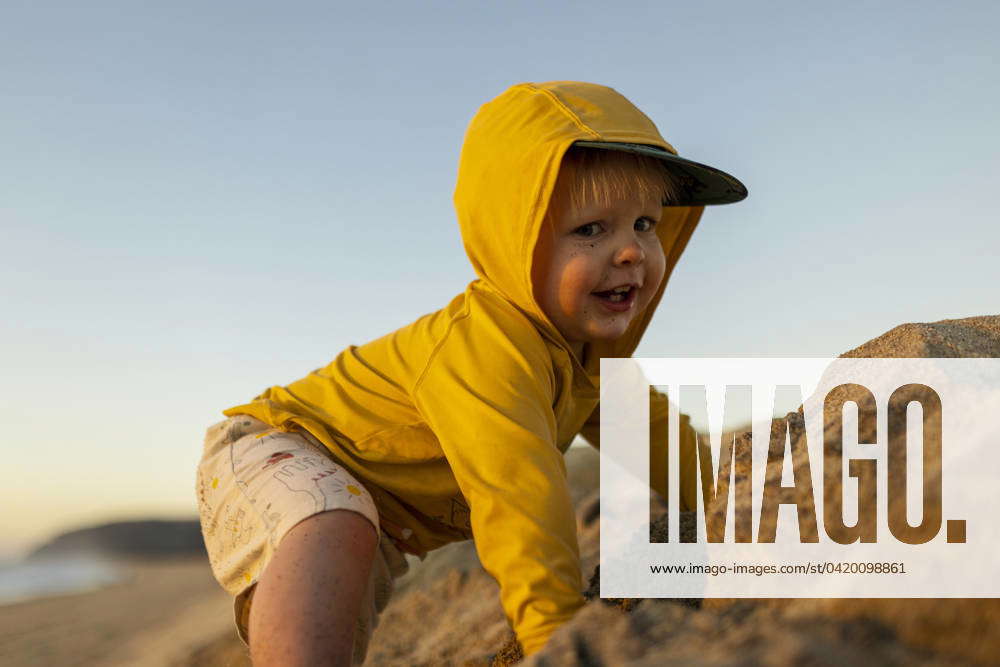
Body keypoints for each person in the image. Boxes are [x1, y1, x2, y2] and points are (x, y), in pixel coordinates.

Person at [195, 80, 747, 665]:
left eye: (645, 224)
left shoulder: (592, 359)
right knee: (332, 519)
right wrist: (555, 632)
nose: (634, 250)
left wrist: (729, 513)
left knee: (338, 618)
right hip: (281, 446)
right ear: (515, 243)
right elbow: (519, 493)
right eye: (590, 229)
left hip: (383, 518)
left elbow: (657, 438)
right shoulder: (488, 351)